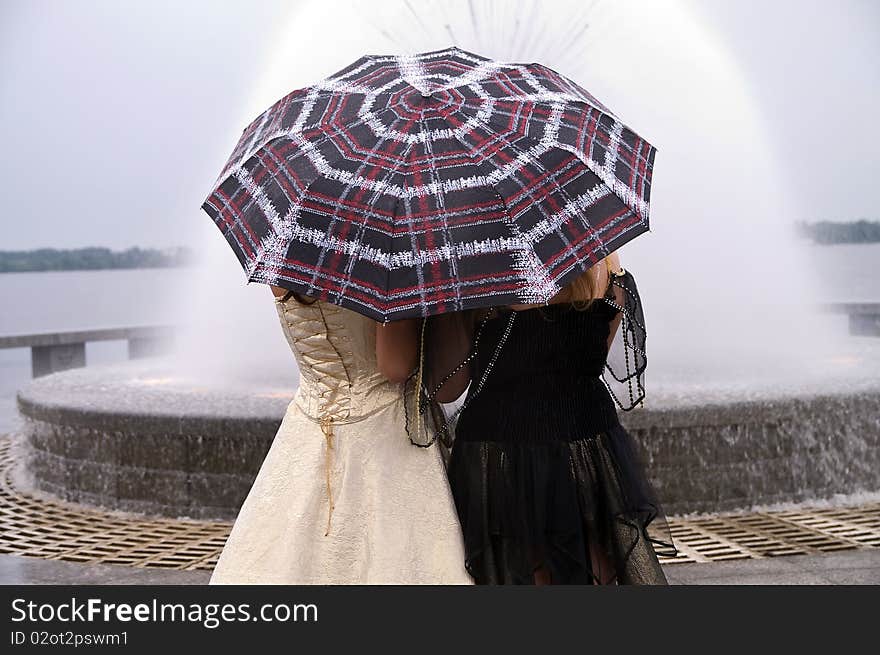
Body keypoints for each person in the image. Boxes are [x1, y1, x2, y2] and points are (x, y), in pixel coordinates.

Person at [416, 252, 676, 585]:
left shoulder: (477, 270)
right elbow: (593, 358)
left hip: (504, 450)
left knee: (527, 570)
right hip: (588, 442)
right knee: (595, 563)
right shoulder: (606, 265)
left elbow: (447, 387)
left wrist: (444, 307)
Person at [209, 288, 471, 584]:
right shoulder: (383, 269)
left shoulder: (293, 263)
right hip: (385, 434)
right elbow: (395, 367)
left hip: (307, 426)